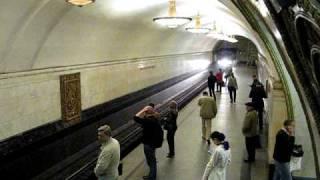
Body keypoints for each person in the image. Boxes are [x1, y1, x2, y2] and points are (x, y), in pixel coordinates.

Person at [134, 106, 162, 180]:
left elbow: (135, 117)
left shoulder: (147, 121)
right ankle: (151, 175)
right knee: (152, 160)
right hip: (153, 143)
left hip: (148, 144)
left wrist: (143, 110)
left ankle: (152, 177)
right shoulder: (155, 118)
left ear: (146, 113)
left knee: (151, 162)